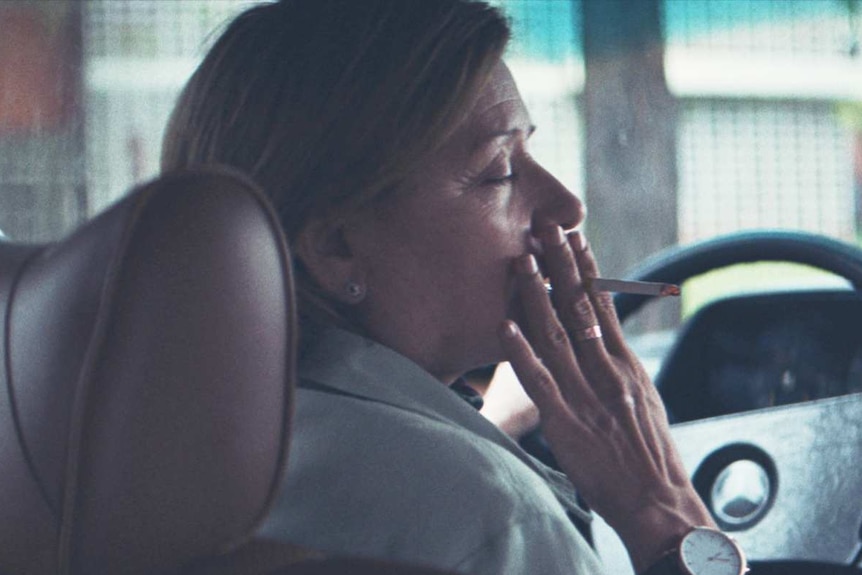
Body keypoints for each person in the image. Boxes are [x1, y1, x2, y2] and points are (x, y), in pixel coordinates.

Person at [161, 1, 734, 574]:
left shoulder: (182, 454)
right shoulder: (492, 518)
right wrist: (665, 512)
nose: (566, 207)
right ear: (336, 247)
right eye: (499, 172)